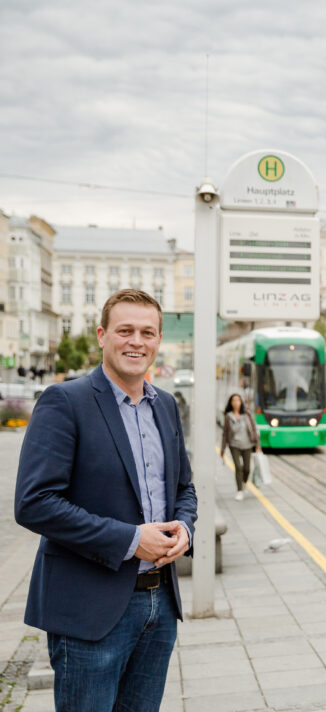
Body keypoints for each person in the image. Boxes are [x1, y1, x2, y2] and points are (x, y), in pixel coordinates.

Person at [14, 289, 197, 712]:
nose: (137, 341)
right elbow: (34, 502)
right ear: (102, 335)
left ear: (158, 341)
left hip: (160, 606)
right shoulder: (65, 401)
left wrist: (185, 527)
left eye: (147, 332)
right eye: (125, 330)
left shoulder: (165, 406)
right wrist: (132, 540)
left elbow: (184, 488)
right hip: (90, 611)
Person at [220, 392, 260, 500]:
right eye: (234, 400)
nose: (236, 402)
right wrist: (222, 449)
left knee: (247, 468)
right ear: (231, 403)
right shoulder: (228, 416)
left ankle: (244, 483)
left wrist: (258, 444)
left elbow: (254, 429)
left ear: (241, 402)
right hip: (234, 445)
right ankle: (239, 490)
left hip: (247, 445)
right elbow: (225, 433)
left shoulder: (247, 414)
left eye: (238, 400)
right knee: (238, 467)